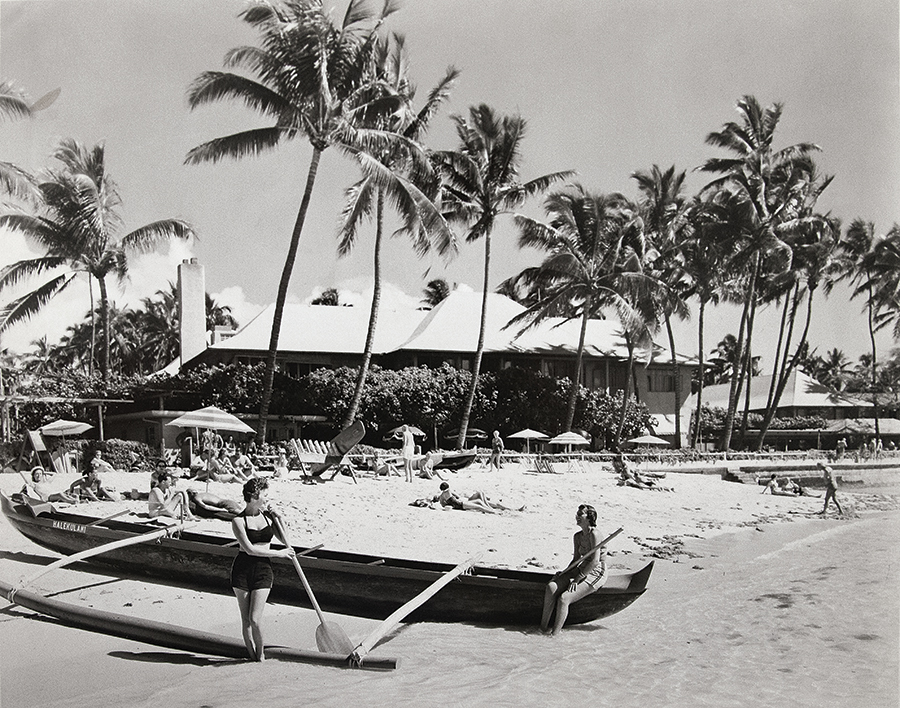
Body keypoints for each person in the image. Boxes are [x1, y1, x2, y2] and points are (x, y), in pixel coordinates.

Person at [230, 477, 295, 661]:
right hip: (242, 570)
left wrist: (280, 517)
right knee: (246, 620)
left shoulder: (267, 516)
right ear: (254, 496)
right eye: (265, 495)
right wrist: (279, 554)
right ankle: (251, 657)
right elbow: (249, 549)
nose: (267, 498)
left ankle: (260, 657)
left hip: (263, 570)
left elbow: (285, 540)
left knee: (256, 619)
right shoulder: (238, 521)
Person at [540, 504, 609, 636]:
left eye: (580, 514)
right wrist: (564, 573)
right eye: (577, 514)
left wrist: (577, 580)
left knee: (564, 598)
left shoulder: (595, 534)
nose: (576, 517)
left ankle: (554, 636)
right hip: (582, 567)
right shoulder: (577, 536)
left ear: (589, 517)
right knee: (551, 587)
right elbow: (576, 560)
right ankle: (542, 629)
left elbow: (594, 561)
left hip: (597, 571)